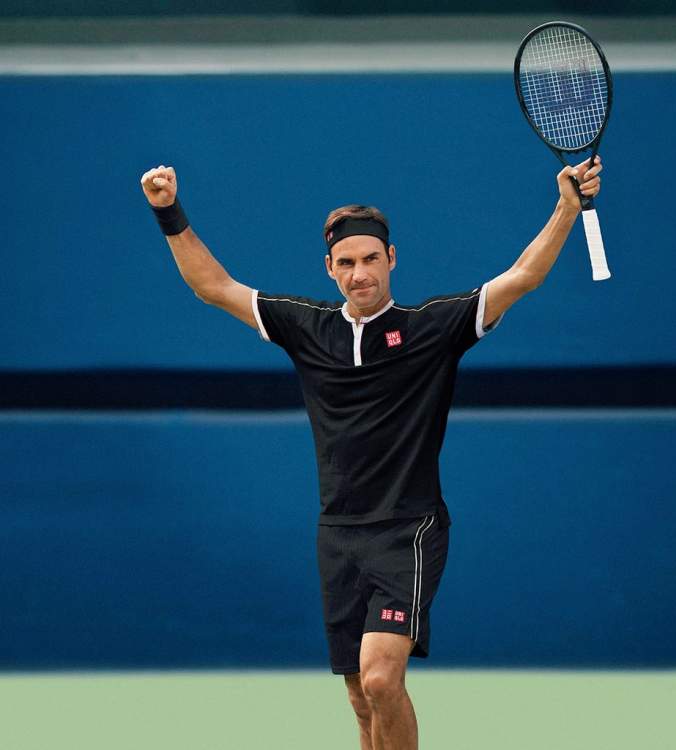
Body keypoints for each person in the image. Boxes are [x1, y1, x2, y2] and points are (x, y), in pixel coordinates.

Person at [140, 157, 602, 750]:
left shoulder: (431, 327)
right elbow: (213, 286)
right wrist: (167, 211)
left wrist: (566, 206)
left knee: (383, 679)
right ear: (329, 268)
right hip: (338, 534)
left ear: (392, 259)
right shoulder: (306, 327)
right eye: (347, 263)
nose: (360, 274)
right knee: (361, 699)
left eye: (370, 259)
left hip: (409, 528)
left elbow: (522, 277)